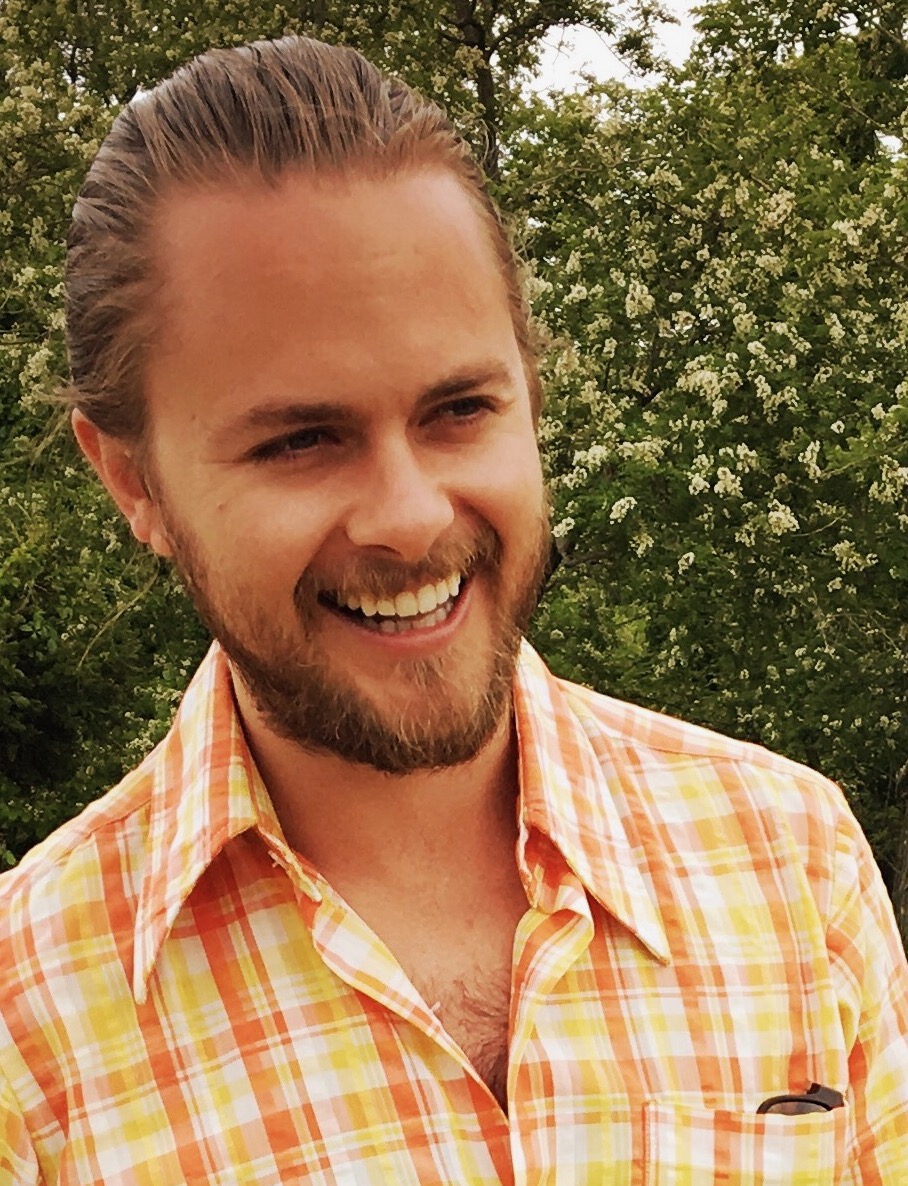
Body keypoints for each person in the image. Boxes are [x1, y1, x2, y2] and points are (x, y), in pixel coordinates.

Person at [1, 34, 906, 1186]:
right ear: (133, 481)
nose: (410, 515)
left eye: (458, 409)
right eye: (300, 439)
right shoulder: (27, 1033)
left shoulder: (789, 863)